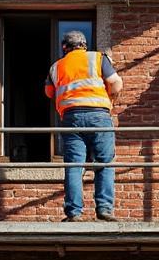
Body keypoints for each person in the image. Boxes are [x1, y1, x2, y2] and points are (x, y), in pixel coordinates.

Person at [44, 30, 123, 222]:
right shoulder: (97, 58)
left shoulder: (56, 66)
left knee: (74, 165)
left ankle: (74, 213)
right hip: (98, 116)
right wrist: (111, 96)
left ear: (65, 47)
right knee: (104, 162)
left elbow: (48, 92)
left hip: (71, 118)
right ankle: (104, 209)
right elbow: (115, 83)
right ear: (84, 45)